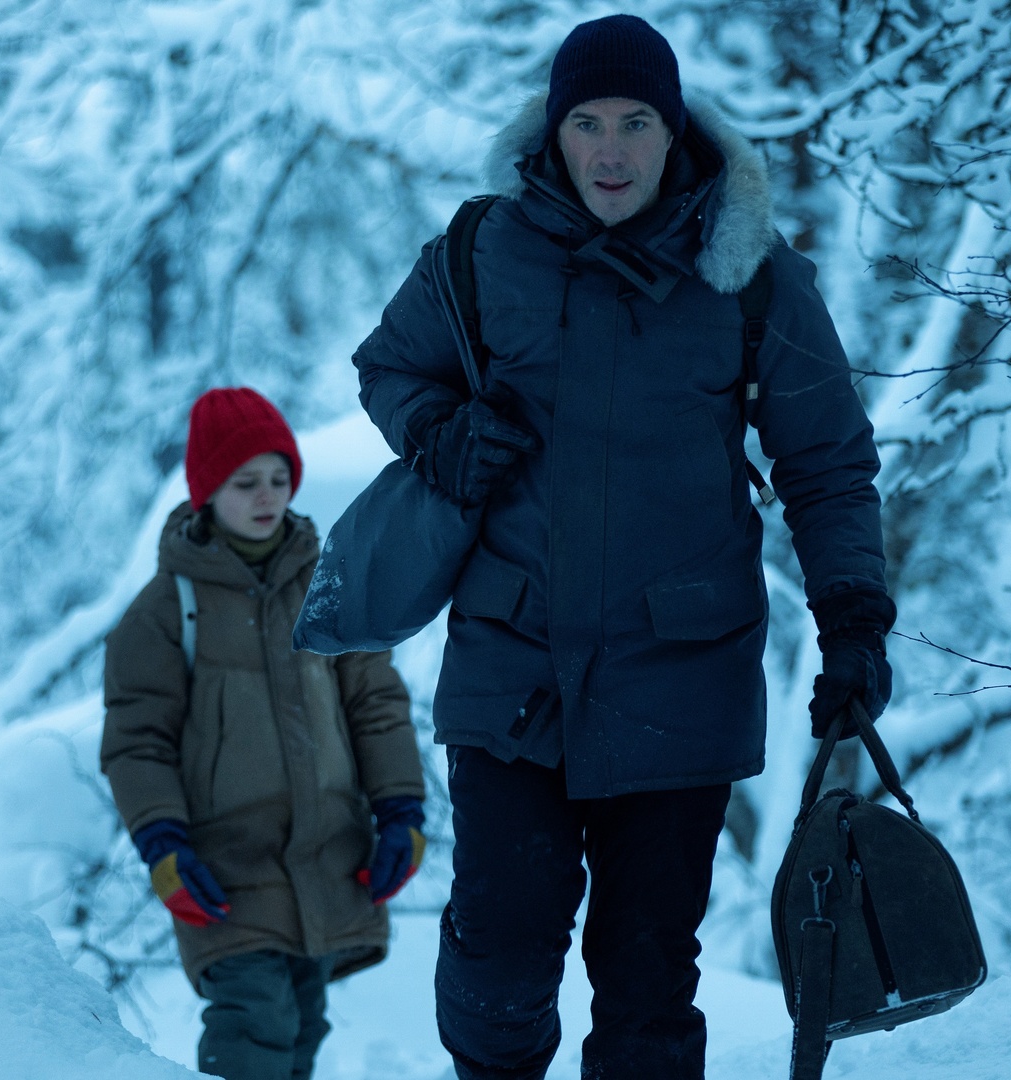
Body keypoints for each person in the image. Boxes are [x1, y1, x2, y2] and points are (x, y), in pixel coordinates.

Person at [351, 13, 896, 1080]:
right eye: (587, 123)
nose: (610, 150)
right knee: (500, 959)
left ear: (672, 130)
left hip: (679, 678)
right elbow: (390, 367)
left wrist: (854, 621)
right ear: (553, 134)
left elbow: (826, 460)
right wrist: (442, 436)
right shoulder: (479, 249)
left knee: (648, 983)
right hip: (514, 671)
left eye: (635, 122)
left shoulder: (752, 276)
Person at [99, 387, 428, 1080]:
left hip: (328, 854)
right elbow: (138, 741)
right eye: (246, 482)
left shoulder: (328, 586)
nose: (267, 496)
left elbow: (375, 705)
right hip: (224, 870)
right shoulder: (165, 612)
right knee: (255, 1023)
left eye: (279, 478)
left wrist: (400, 812)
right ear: (206, 492)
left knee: (303, 1023)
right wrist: (163, 846)